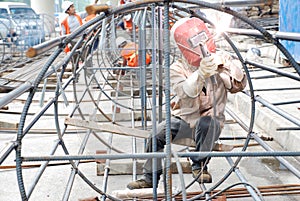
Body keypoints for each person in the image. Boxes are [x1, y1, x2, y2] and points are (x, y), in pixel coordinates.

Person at [126, 17, 247, 190]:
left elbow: (238, 86)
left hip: (210, 118)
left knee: (207, 124)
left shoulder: (221, 57)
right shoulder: (177, 68)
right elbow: (186, 91)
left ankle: (199, 165)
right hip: (185, 118)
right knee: (156, 135)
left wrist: (224, 68)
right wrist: (201, 74)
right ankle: (149, 177)